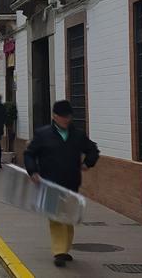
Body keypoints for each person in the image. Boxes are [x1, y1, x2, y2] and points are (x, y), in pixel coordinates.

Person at [24, 100, 100, 268]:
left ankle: (64, 249)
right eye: (63, 116)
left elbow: (93, 150)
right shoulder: (43, 134)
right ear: (54, 116)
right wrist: (33, 171)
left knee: (68, 217)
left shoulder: (78, 135)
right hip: (50, 182)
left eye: (68, 116)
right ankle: (59, 251)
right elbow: (29, 154)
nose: (66, 119)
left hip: (71, 181)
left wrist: (88, 163)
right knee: (55, 217)